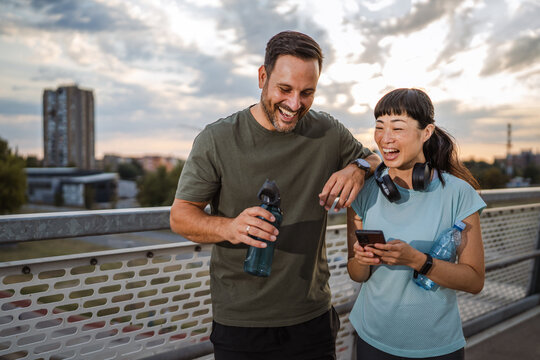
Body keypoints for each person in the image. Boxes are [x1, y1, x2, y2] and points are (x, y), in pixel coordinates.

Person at [170, 31, 380, 359]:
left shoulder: (328, 131)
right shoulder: (217, 139)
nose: (294, 105)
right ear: (262, 76)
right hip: (241, 324)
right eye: (285, 89)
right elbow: (181, 216)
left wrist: (358, 168)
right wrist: (229, 227)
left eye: (307, 93)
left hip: (312, 318)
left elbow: (374, 157)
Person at [347, 88, 486, 359]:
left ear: (426, 132)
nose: (385, 138)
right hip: (371, 339)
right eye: (379, 127)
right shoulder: (364, 191)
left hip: (436, 346)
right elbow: (356, 273)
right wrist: (362, 261)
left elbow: (474, 280)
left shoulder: (460, 194)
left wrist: (418, 261)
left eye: (397, 128)